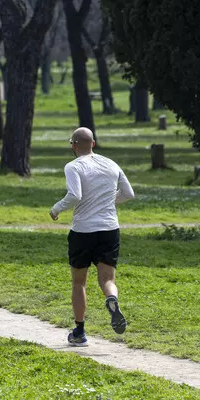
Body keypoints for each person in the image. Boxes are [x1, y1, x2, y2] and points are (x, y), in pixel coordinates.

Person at [50, 127, 135, 347]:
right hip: (109, 229)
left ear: (74, 145)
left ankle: (79, 332)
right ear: (93, 144)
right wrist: (105, 201)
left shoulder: (73, 166)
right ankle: (112, 298)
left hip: (82, 231)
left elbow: (75, 195)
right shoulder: (111, 164)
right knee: (108, 280)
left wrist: (56, 209)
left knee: (79, 282)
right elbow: (129, 194)